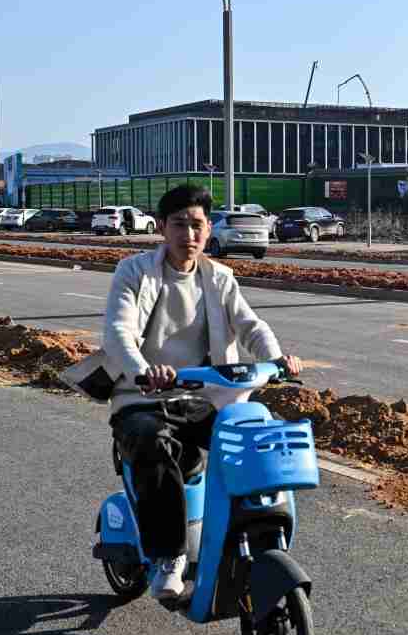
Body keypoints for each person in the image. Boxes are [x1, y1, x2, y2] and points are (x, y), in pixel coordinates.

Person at [103, 183, 302, 600]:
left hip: (203, 398)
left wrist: (278, 359)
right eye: (179, 225)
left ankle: (251, 535)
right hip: (143, 399)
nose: (188, 235)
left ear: (209, 229)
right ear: (161, 228)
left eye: (196, 225)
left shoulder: (219, 277)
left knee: (255, 437)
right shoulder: (133, 271)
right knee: (151, 440)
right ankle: (169, 556)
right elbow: (119, 332)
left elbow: (251, 326)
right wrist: (143, 371)